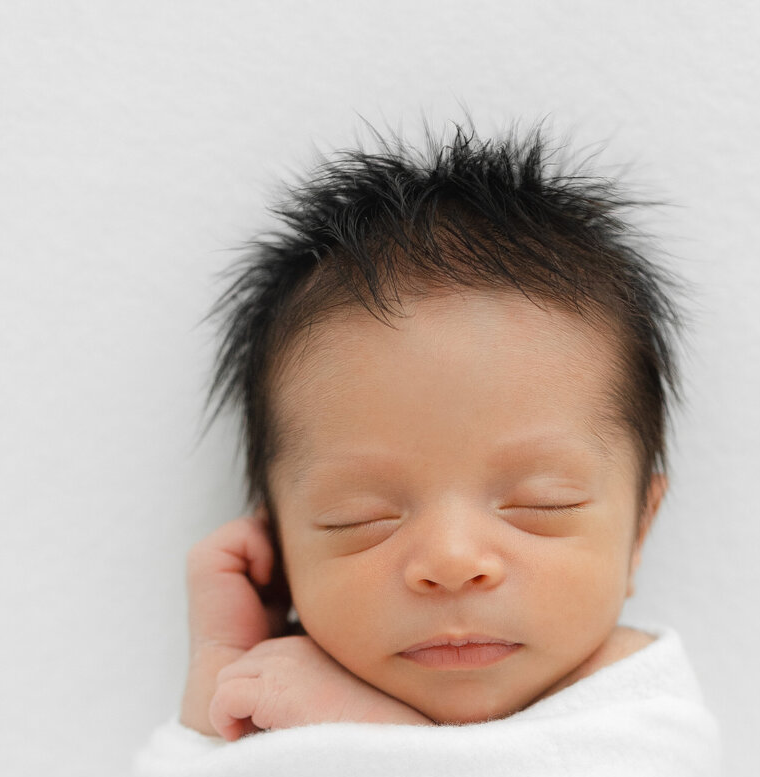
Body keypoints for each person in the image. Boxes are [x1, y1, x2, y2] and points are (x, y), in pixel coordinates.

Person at [173, 113, 685, 741]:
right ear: (279, 552)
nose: (451, 560)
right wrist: (225, 669)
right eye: (359, 518)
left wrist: (363, 727)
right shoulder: (273, 695)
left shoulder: (637, 700)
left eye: (541, 503)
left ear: (638, 531)